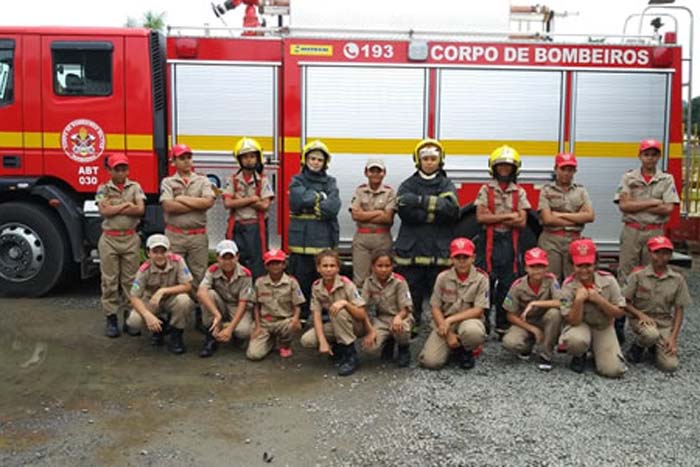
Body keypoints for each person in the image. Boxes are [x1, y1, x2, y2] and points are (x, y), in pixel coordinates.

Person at [614, 139, 680, 343]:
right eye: (646, 154)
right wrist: (653, 202)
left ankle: (645, 329)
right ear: (640, 156)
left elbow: (668, 208)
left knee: (650, 277)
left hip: (654, 233)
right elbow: (624, 206)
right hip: (632, 232)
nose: (649, 158)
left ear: (658, 156)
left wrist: (637, 205)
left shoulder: (666, 179)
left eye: (653, 154)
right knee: (626, 277)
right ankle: (619, 325)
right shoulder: (629, 177)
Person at [394, 139, 460, 334]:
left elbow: (451, 210)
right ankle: (412, 322)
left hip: (437, 249)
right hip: (413, 248)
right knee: (412, 287)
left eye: (433, 158)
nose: (429, 162)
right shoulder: (408, 184)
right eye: (426, 159)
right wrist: (434, 210)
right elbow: (405, 211)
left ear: (440, 161)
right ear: (418, 161)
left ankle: (440, 324)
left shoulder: (446, 183)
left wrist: (419, 202)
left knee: (440, 290)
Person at [475, 145, 531, 337]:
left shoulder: (520, 192)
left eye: (508, 166)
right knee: (487, 283)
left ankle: (502, 323)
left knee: (508, 285)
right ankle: (483, 323)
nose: (504, 169)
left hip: (510, 243)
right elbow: (481, 218)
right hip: (489, 243)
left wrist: (496, 217)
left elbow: (522, 221)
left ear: (515, 169)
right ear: (494, 168)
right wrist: (509, 217)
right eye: (501, 166)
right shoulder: (485, 190)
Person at [160, 143, 216, 328]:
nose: (186, 161)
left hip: (197, 237)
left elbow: (208, 202)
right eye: (182, 158)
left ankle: (201, 314)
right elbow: (168, 206)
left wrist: (182, 199)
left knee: (199, 276)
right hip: (175, 236)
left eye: (188, 157)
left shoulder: (202, 180)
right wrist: (195, 203)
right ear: (174, 161)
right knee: (172, 276)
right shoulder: (168, 182)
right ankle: (174, 316)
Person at [288, 140, 341, 318]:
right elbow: (297, 200)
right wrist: (321, 197)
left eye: (320, 159)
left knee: (324, 279)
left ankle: (325, 315)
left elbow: (333, 206)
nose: (316, 162)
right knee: (302, 280)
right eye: (312, 158)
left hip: (323, 237)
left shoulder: (331, 181)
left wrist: (312, 201)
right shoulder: (296, 180)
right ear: (305, 160)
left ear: (325, 162)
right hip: (301, 241)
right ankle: (302, 315)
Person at [300, 250, 375, 377]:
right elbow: (316, 315)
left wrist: (345, 304)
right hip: (337, 324)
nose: (328, 269)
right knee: (307, 340)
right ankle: (338, 348)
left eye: (332, 266)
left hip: (355, 325)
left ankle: (351, 356)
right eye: (325, 266)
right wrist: (322, 341)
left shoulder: (347, 284)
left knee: (338, 312)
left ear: (338, 268)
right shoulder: (317, 286)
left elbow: (362, 314)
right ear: (318, 268)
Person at [559, 238, 627, 378]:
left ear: (596, 263)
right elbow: (572, 321)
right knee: (576, 340)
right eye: (579, 265)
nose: (584, 270)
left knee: (613, 371)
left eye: (588, 265)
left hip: (603, 326)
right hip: (580, 326)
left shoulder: (609, 280)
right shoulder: (568, 285)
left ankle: (598, 351)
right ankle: (579, 354)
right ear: (572, 265)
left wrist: (600, 300)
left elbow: (620, 313)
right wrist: (578, 301)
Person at [623, 236, 691, 372]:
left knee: (670, 366)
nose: (661, 257)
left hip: (664, 323)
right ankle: (638, 347)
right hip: (641, 320)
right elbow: (624, 302)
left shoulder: (677, 279)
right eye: (657, 252)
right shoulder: (638, 275)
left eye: (666, 253)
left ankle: (655, 346)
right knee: (651, 334)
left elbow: (679, 310)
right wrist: (640, 315)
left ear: (671, 255)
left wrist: (673, 338)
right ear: (650, 253)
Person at [418, 238, 489, 370]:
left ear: (473, 258)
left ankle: (466, 350)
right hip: (445, 324)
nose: (462, 261)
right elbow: (435, 306)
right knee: (431, 362)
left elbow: (478, 310)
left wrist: (450, 320)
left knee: (473, 333)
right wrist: (447, 331)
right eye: (457, 257)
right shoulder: (442, 277)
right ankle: (453, 346)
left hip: (468, 321)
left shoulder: (481, 279)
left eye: (465, 257)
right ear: (451, 258)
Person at [95, 153, 145, 338]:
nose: (122, 172)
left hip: (130, 239)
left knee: (131, 281)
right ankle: (111, 318)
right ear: (109, 170)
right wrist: (126, 205)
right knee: (109, 281)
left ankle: (130, 318)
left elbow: (140, 209)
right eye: (117, 169)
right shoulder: (103, 189)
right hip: (109, 240)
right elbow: (104, 211)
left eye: (124, 168)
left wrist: (116, 207)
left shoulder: (135, 186)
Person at [126, 234, 194, 354]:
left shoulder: (178, 261)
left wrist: (163, 291)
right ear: (148, 253)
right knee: (134, 321)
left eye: (163, 251)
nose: (159, 255)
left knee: (184, 301)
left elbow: (187, 286)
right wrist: (147, 315)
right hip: (152, 301)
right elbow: (134, 297)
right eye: (155, 251)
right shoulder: (144, 270)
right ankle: (158, 329)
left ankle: (176, 335)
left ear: (169, 251)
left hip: (171, 299)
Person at [501, 247, 562, 371]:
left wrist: (536, 303)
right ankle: (527, 346)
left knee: (555, 314)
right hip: (526, 322)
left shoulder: (551, 280)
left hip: (545, 320)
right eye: (533, 266)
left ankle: (546, 355)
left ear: (546, 267)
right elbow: (510, 315)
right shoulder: (518, 286)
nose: (537, 270)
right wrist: (532, 329)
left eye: (541, 266)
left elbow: (562, 303)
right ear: (526, 268)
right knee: (510, 343)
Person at [537, 152, 595, 282]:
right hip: (551, 240)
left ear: (575, 171)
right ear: (556, 169)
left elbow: (590, 216)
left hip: (574, 240)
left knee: (574, 279)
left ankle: (571, 303)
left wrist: (559, 214)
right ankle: (552, 303)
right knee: (551, 279)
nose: (566, 173)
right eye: (563, 169)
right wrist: (577, 216)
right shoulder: (546, 190)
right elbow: (548, 219)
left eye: (570, 170)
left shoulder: (581, 191)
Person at [223, 137, 274, 279]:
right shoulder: (232, 179)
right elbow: (227, 204)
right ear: (239, 160)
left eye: (252, 156)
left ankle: (255, 295)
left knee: (257, 263)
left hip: (256, 227)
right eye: (245, 157)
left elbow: (264, 205)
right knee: (236, 261)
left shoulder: (263, 180)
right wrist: (252, 199)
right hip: (237, 227)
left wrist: (239, 200)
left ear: (258, 158)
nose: (249, 160)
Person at [197, 240, 255, 358]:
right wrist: (217, 315)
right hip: (220, 303)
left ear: (237, 257)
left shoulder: (245, 274)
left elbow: (243, 303)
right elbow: (201, 292)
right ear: (218, 258)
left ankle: (232, 335)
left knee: (243, 331)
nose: (227, 262)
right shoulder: (212, 270)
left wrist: (230, 328)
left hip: (237, 306)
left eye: (231, 257)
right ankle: (211, 338)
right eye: (224, 258)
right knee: (209, 294)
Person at [247, 249, 306, 361]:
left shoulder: (291, 282)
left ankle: (284, 344)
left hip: (283, 321)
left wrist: (295, 319)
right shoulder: (259, 282)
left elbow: (297, 303)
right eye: (271, 263)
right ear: (266, 266)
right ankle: (270, 341)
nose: (275, 266)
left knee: (292, 326)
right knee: (254, 355)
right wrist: (258, 326)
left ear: (284, 265)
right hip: (265, 322)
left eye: (278, 263)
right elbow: (256, 306)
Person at [361, 251, 414, 367]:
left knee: (401, 329)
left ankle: (403, 349)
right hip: (381, 319)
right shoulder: (368, 282)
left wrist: (398, 317)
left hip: (401, 316)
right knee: (369, 348)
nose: (384, 269)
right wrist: (370, 331)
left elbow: (407, 307)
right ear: (373, 267)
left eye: (387, 266)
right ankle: (388, 341)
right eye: (380, 266)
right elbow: (362, 307)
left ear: (392, 266)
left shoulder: (399, 281)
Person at [350, 159, 396, 287]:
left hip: (382, 238)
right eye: (372, 171)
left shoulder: (389, 192)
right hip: (362, 239)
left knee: (382, 277)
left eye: (378, 171)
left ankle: (382, 306)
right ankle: (361, 306)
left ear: (384, 173)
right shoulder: (360, 190)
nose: (375, 174)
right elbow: (355, 215)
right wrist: (379, 213)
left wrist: (364, 215)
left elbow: (388, 218)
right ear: (366, 173)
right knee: (360, 279)